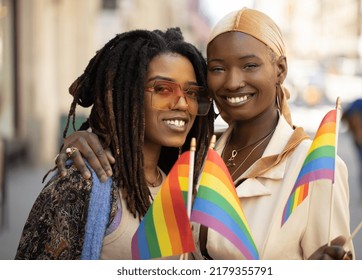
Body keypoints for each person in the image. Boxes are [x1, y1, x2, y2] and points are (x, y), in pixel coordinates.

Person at [54, 8, 354, 260]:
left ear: (280, 70)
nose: (233, 82)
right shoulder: (193, 155)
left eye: (250, 65)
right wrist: (86, 139)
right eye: (218, 68)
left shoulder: (314, 169)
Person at [14, 27, 214, 259]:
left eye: (191, 92)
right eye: (162, 89)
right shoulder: (82, 185)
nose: (182, 103)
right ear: (127, 94)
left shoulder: (183, 184)